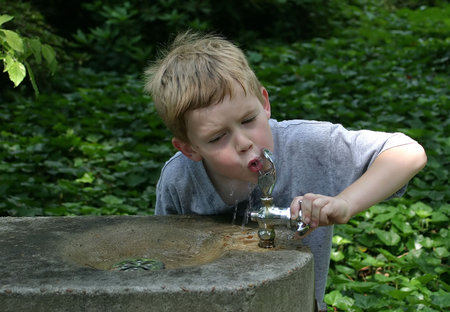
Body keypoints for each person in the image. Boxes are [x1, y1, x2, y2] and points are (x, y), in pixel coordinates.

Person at [144, 31, 427, 311]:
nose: (244, 142)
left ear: (264, 104)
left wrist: (345, 203)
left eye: (248, 120)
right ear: (190, 149)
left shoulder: (306, 145)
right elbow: (168, 265)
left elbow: (406, 151)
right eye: (218, 138)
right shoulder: (179, 181)